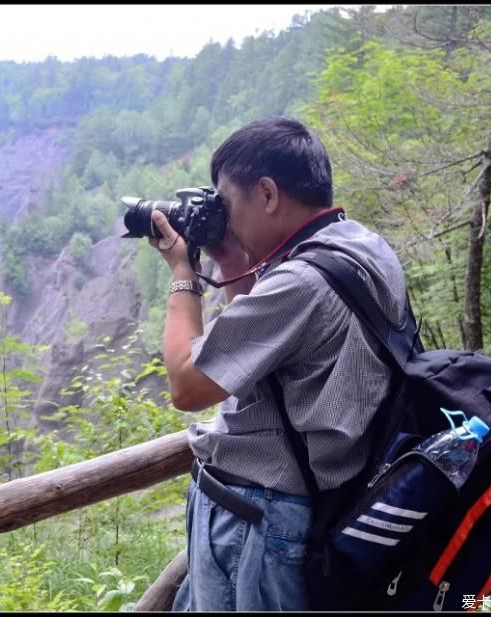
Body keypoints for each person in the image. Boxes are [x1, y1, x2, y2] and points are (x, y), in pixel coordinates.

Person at [149, 117, 409, 611]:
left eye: (226, 203)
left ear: (267, 194)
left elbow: (187, 385)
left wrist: (184, 272)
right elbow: (268, 342)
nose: (222, 216)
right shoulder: (360, 246)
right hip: (309, 504)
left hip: (260, 520)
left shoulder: (299, 284)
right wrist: (229, 264)